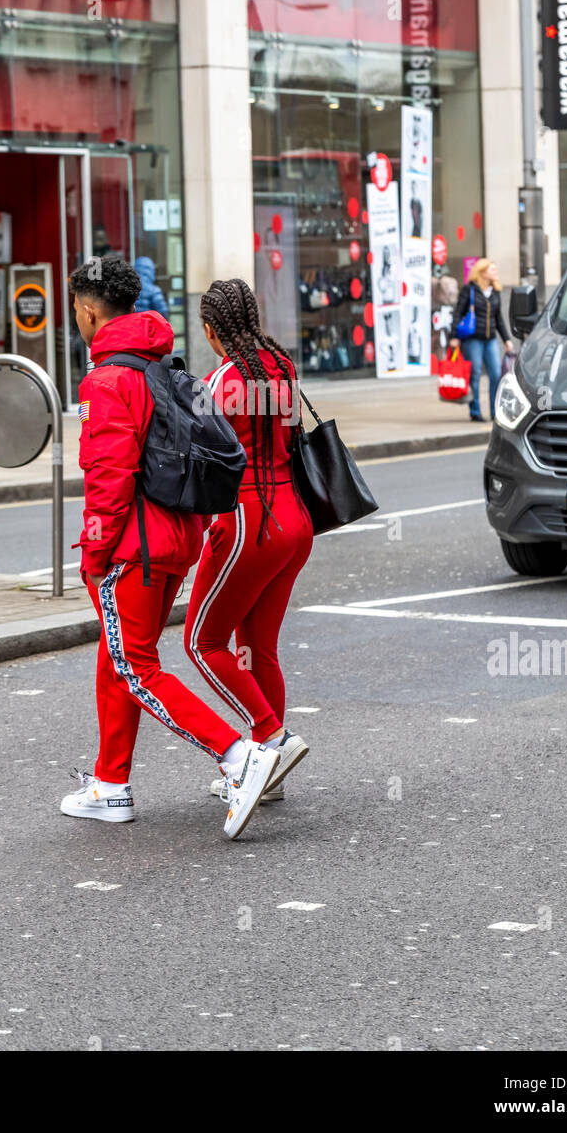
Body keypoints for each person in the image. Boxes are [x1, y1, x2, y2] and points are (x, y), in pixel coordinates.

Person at [61, 256, 280, 839]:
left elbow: (108, 479)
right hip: (177, 538)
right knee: (120, 658)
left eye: (76, 311)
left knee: (136, 665)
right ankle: (111, 787)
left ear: (88, 311)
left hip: (134, 547)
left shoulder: (108, 380)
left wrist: (94, 553)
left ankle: (240, 756)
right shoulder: (164, 369)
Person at [184, 278, 312, 806]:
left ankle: (270, 740)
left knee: (202, 642)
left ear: (212, 330)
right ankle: (271, 773)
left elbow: (198, 462)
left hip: (247, 524)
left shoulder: (219, 382)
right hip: (297, 523)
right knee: (259, 647)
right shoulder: (281, 368)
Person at [449, 257, 514, 422]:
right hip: (472, 340)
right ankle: (475, 411)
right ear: (482, 272)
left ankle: (494, 411)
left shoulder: (495, 291)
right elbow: (457, 314)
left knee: (495, 374)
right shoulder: (469, 290)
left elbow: (498, 318)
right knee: (475, 375)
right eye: (492, 270)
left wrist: (506, 339)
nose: (496, 273)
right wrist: (454, 337)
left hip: (490, 339)